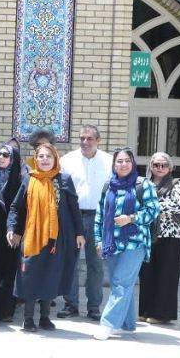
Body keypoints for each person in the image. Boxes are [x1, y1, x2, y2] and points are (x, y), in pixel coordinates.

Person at [7, 143, 85, 332]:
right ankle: (28, 319)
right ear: (36, 159)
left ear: (55, 159)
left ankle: (44, 318)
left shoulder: (64, 179)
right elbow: (16, 207)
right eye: (41, 156)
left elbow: (74, 208)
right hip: (32, 237)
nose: (44, 160)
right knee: (30, 276)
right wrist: (12, 228)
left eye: (48, 156)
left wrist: (79, 233)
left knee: (51, 276)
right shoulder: (29, 179)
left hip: (56, 238)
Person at [93, 149, 161, 340]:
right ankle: (127, 324)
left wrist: (131, 218)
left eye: (127, 161)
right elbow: (100, 214)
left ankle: (108, 324)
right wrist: (98, 240)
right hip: (111, 243)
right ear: (114, 164)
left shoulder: (143, 185)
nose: (123, 164)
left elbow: (153, 211)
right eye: (119, 161)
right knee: (122, 283)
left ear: (133, 163)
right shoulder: (108, 186)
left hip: (135, 243)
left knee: (120, 283)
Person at [59, 125, 112, 319]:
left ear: (98, 140)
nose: (85, 142)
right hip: (73, 217)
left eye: (89, 138)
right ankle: (70, 304)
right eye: (82, 138)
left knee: (95, 264)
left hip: (99, 218)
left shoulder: (109, 161)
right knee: (70, 262)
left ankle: (94, 307)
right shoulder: (67, 160)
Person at [137, 152, 180, 324]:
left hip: (170, 236)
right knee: (146, 274)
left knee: (166, 276)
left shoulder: (176, 184)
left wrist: (151, 206)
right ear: (150, 166)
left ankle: (162, 314)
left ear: (170, 168)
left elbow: (177, 205)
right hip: (148, 234)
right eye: (156, 165)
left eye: (163, 165)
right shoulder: (145, 184)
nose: (159, 168)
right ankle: (145, 311)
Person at [0, 142, 24, 322]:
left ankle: (7, 309)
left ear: (13, 159)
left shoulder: (19, 179)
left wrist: (17, 231)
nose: (0, 157)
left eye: (5, 155)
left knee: (9, 269)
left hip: (11, 231)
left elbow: (22, 208)